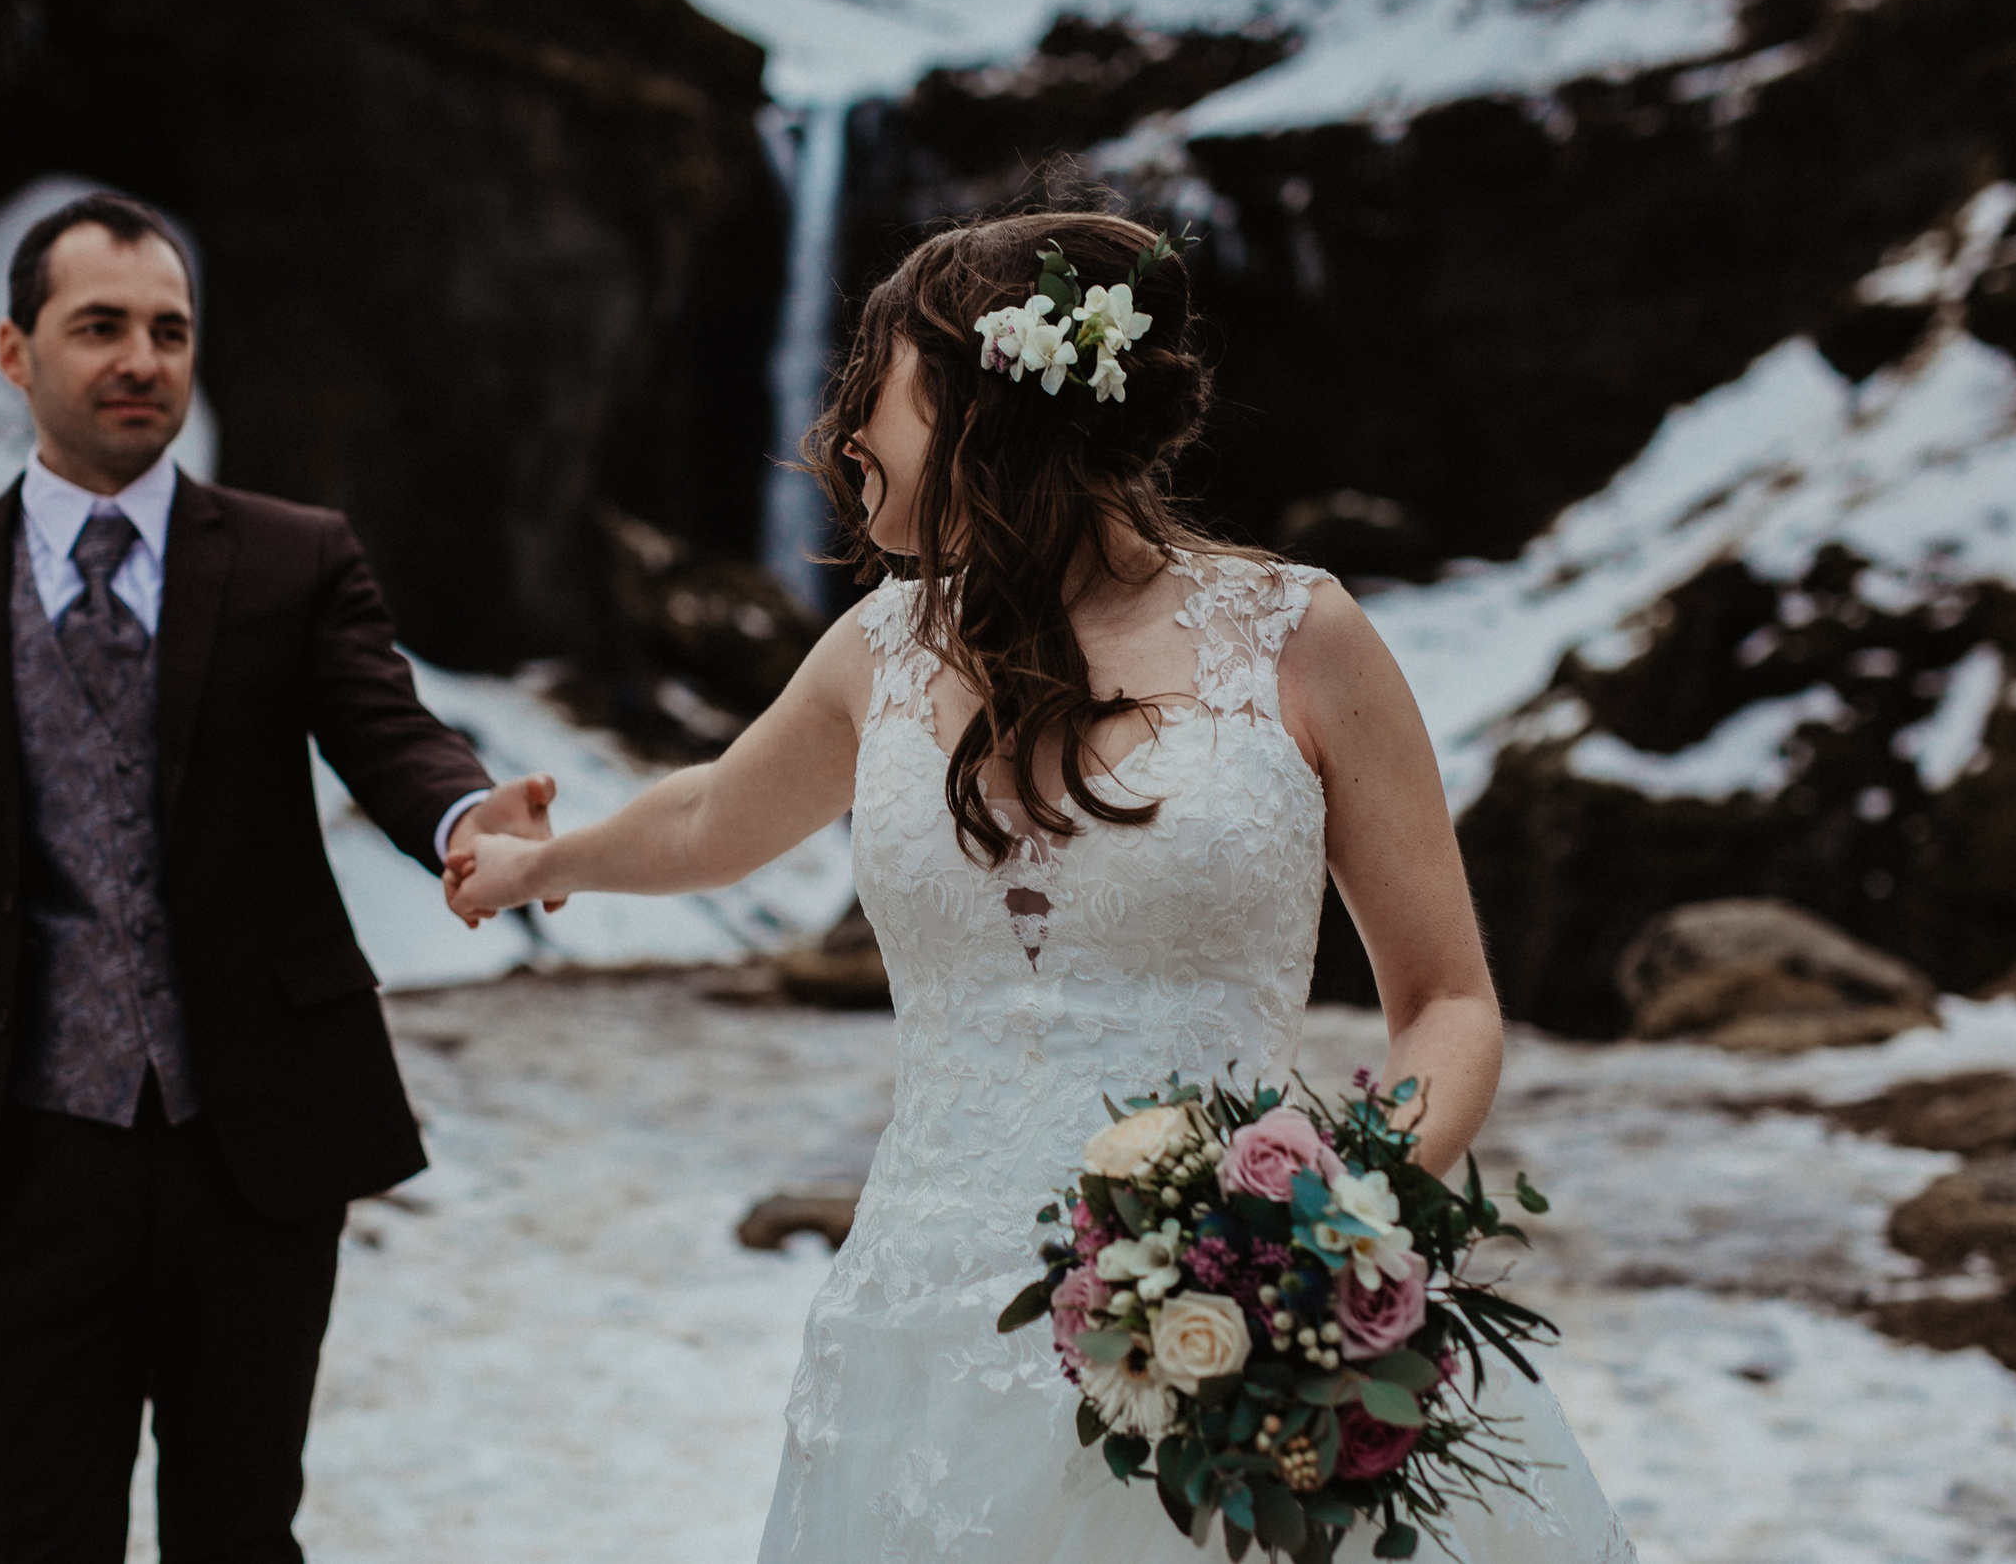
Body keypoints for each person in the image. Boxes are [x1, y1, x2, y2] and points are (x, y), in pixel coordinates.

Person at [445, 211, 1634, 1561]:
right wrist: (541, 863)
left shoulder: (1302, 641)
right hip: (919, 1338)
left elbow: (1448, 1001)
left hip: (1236, 1321)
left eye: (875, 381)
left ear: (988, 404)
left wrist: (1335, 1223)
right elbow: (716, 812)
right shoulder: (879, 649)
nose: (841, 428)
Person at [0, 192, 559, 1561]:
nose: (142, 359)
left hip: (253, 1152)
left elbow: (389, 735)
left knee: (240, 1539)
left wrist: (469, 819)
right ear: (14, 351)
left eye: (169, 330)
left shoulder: (295, 557)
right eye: (100, 326)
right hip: (14, 1163)